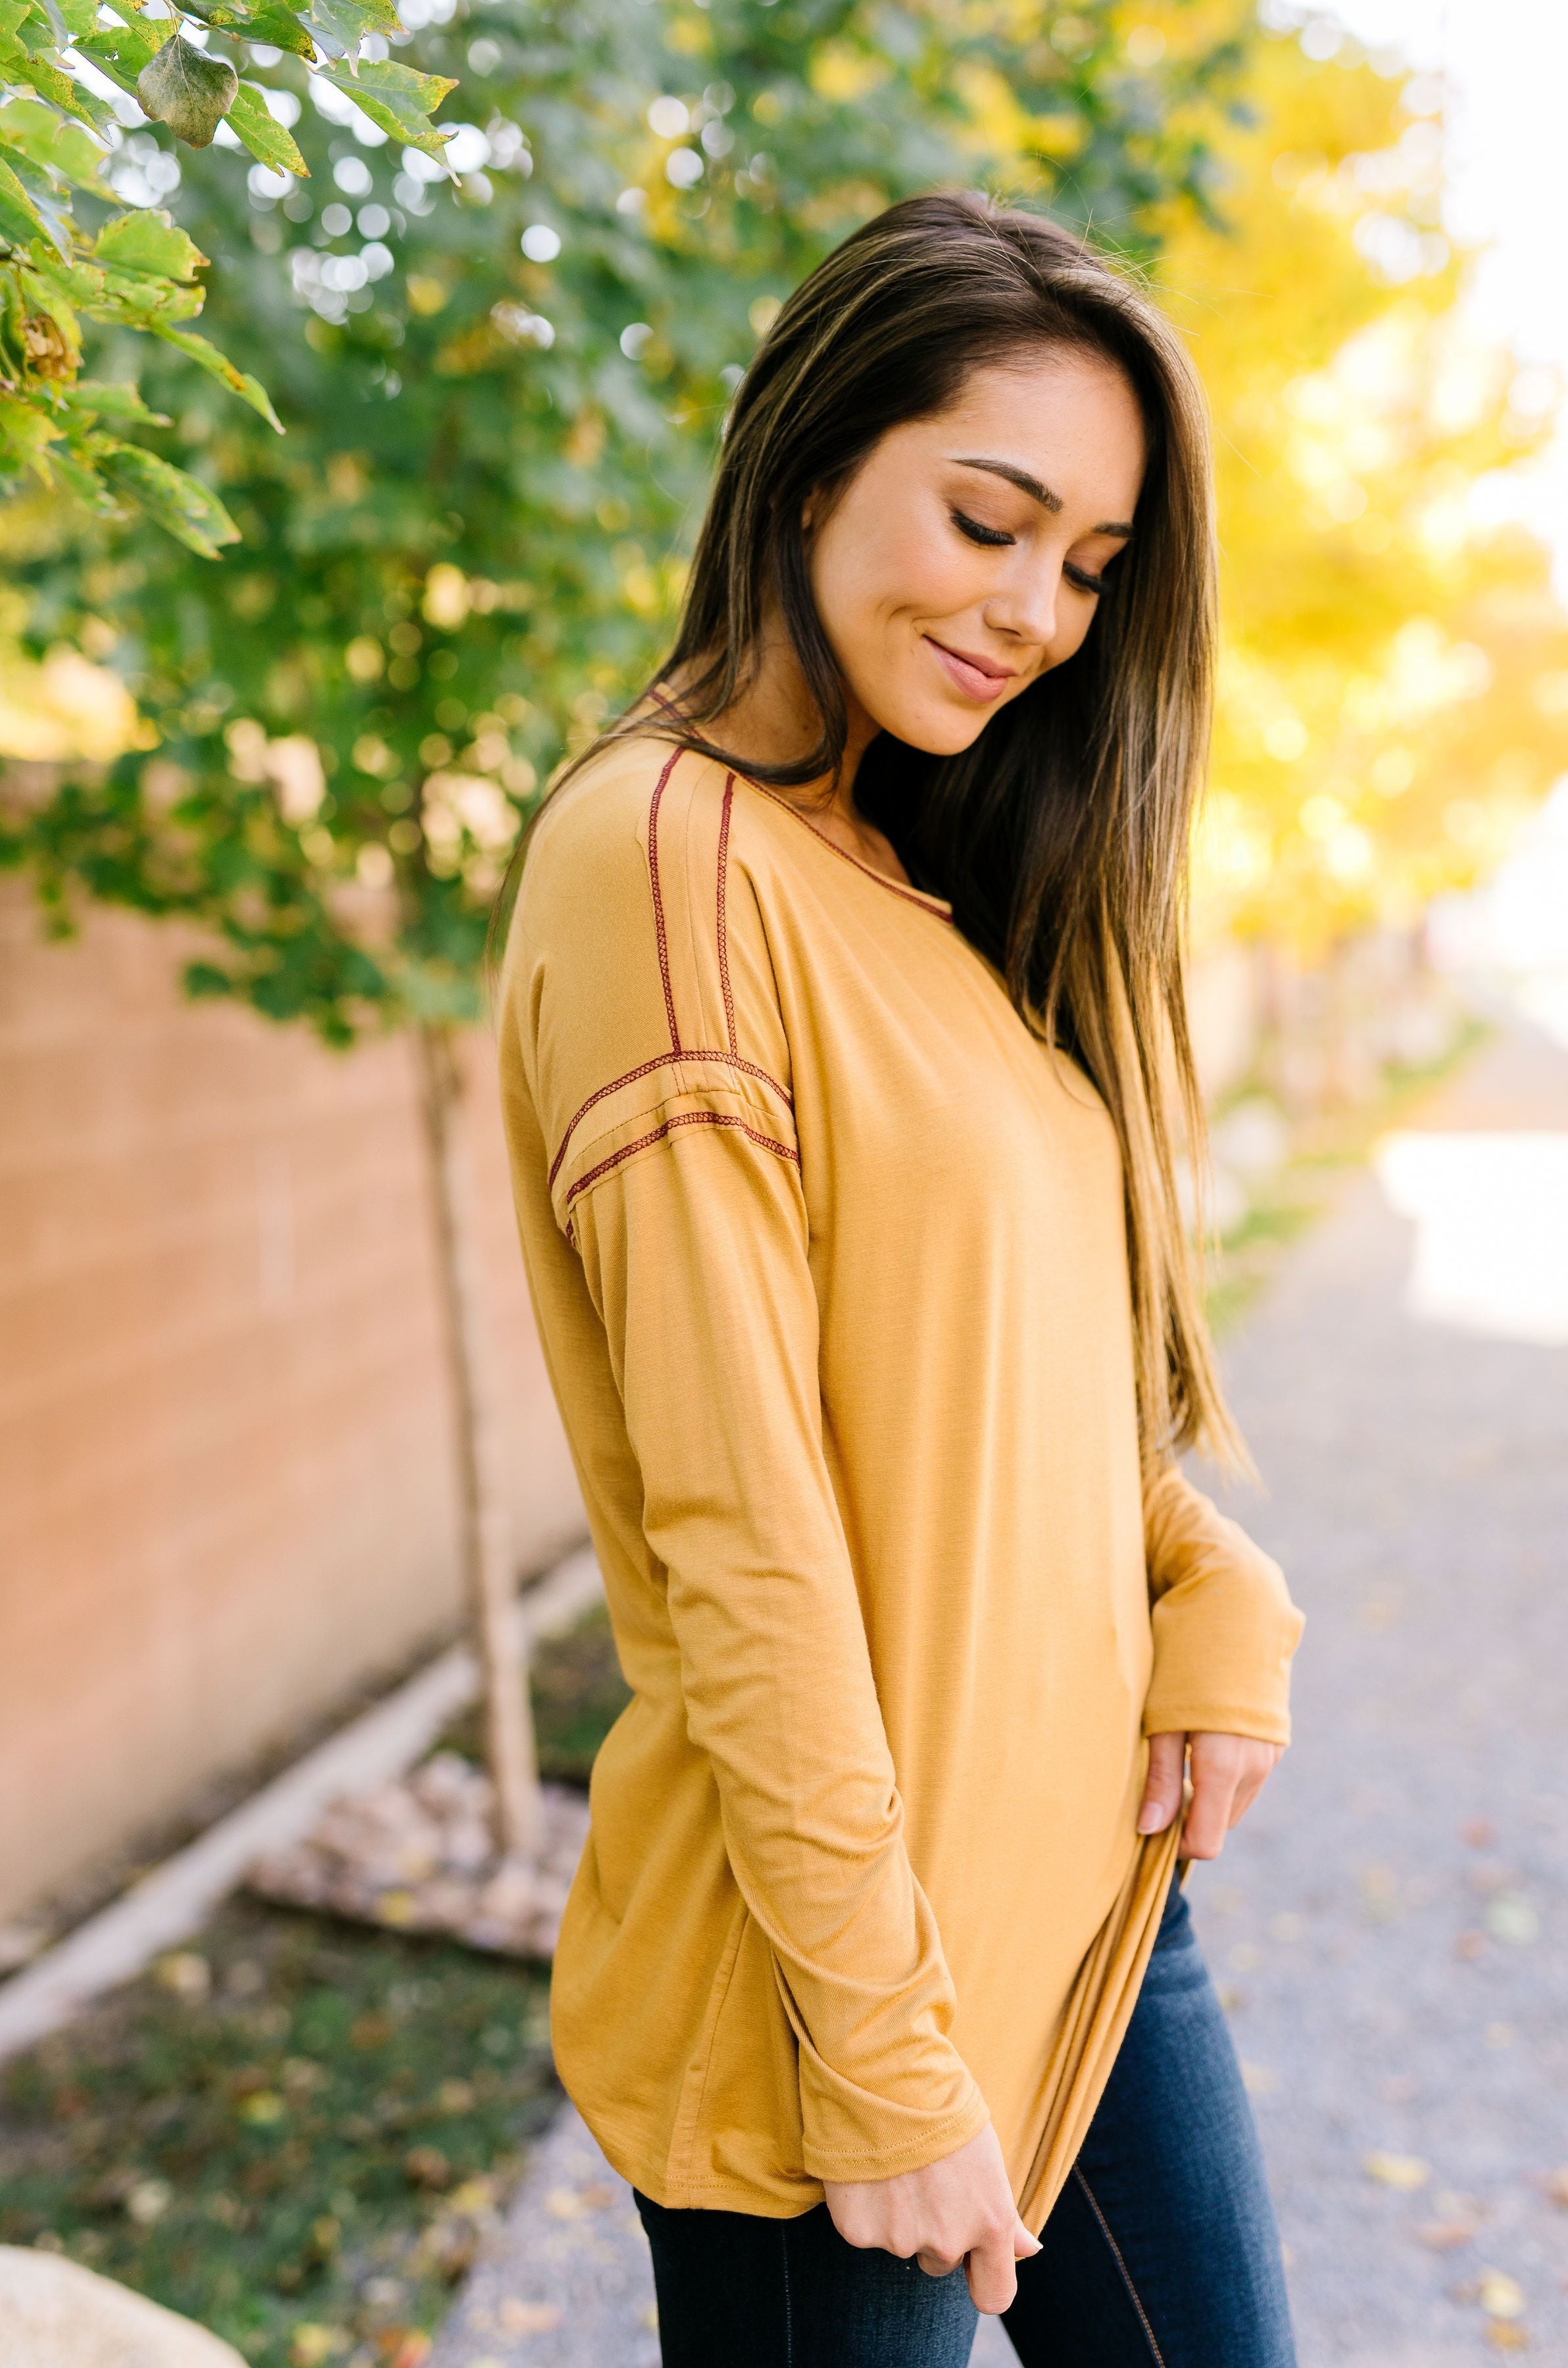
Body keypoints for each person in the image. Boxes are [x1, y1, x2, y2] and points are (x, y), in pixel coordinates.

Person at [495, 190, 1306, 2366]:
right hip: (834, 2005)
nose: (1038, 611)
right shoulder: (665, 860)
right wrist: (878, 2047)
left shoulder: (907, 880)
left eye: (1090, 567)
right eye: (990, 518)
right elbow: (743, 1514)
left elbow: (992, 1383)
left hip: (1092, 1919)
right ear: (811, 448)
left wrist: (1204, 1578)